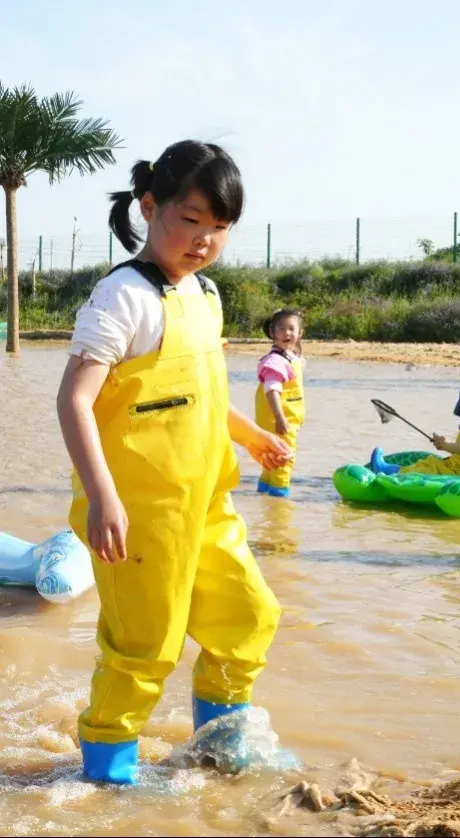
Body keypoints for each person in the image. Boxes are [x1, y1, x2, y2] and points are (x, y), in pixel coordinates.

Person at [56, 140, 297, 785]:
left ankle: (220, 744)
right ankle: (107, 777)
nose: (203, 241)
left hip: (207, 506)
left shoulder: (206, 294)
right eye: (189, 221)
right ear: (149, 206)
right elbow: (73, 400)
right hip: (137, 517)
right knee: (143, 649)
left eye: (219, 228)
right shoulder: (124, 297)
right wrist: (104, 495)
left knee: (246, 618)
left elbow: (200, 394)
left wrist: (249, 437)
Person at [371, 381, 460, 480]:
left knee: (429, 467)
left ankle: (389, 472)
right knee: (430, 462)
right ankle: (395, 470)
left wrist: (446, 446)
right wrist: (445, 443)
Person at [255, 309, 305, 497]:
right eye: (281, 329)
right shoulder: (276, 361)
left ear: (300, 333)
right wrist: (280, 417)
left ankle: (264, 490)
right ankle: (279, 502)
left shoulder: (292, 357)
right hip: (279, 420)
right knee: (284, 458)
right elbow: (272, 390)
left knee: (271, 459)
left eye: (292, 329)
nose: (287, 333)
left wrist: (298, 418)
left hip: (287, 419)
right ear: (272, 333)